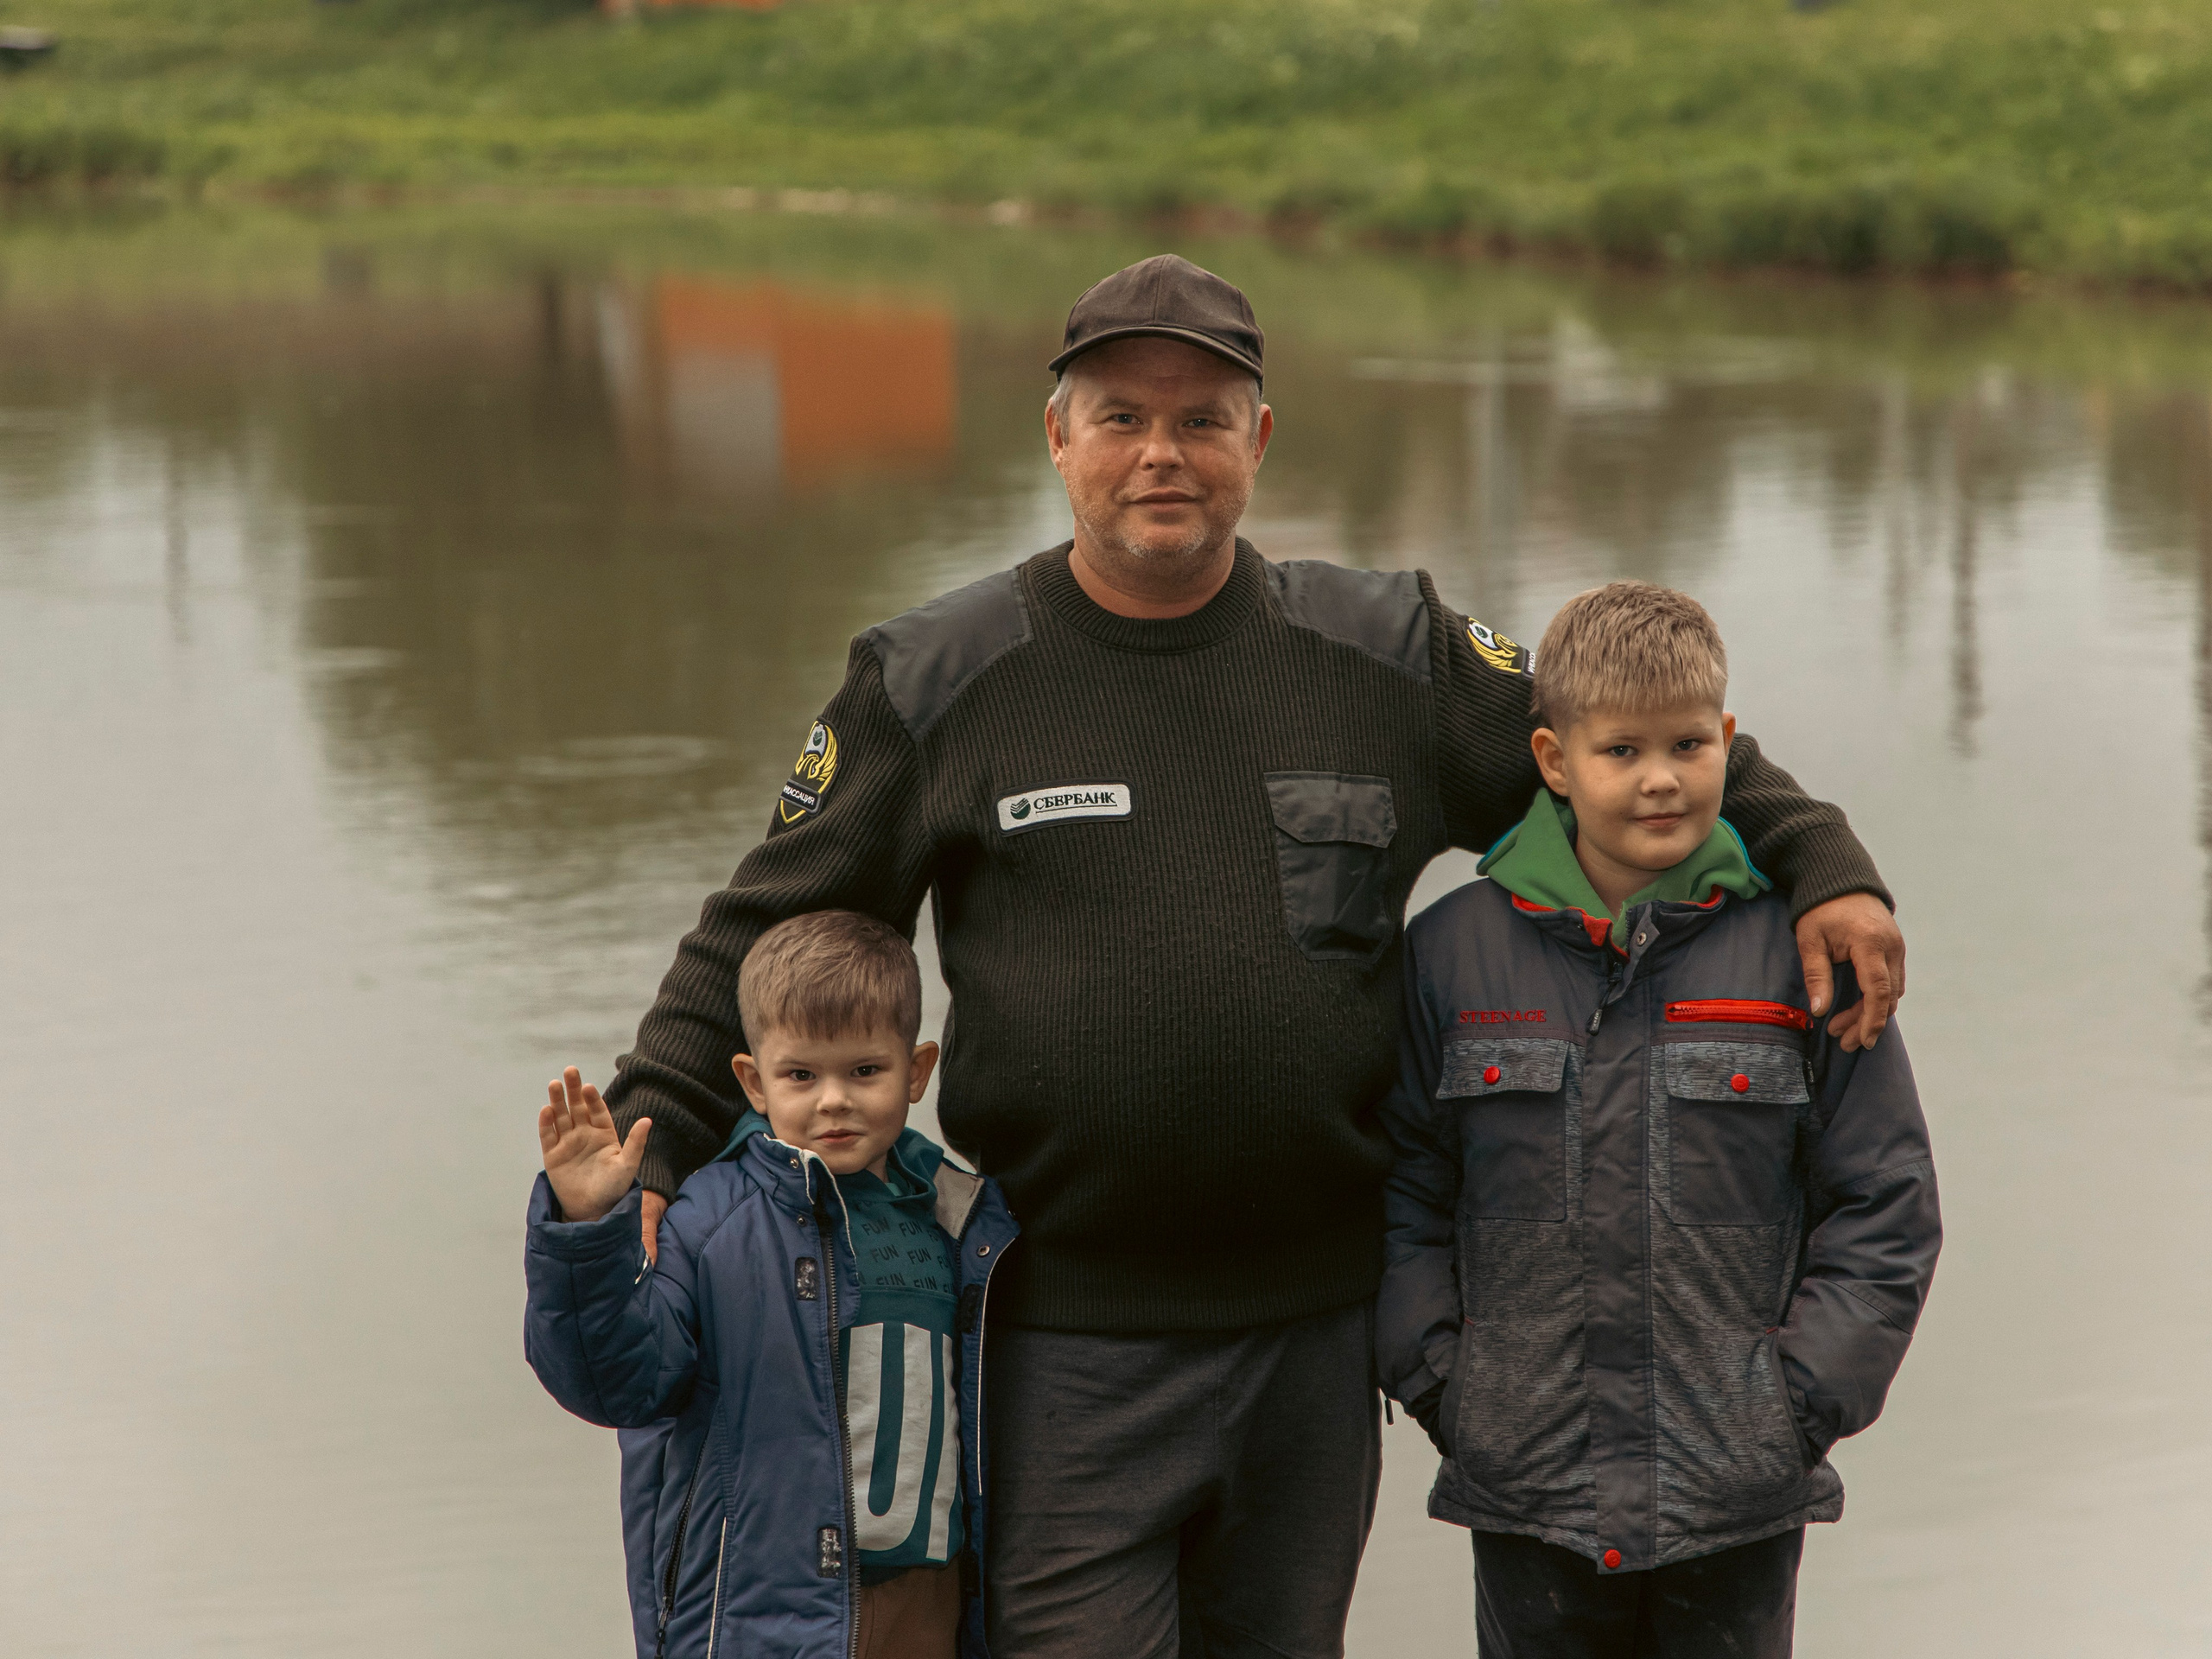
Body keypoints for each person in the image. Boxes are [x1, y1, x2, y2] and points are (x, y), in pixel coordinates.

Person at [596, 254, 1910, 1657]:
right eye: (1119, 416)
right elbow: (764, 914)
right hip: (1063, 1342)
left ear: (1259, 441)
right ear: (1057, 436)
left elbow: (1629, 740)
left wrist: (1821, 860)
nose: (1162, 452)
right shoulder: (935, 676)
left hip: (1312, 1343)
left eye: (1204, 417)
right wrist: (652, 1139)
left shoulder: (1388, 650)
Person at [1376, 582, 1942, 1658]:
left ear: (1729, 741)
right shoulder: (1448, 955)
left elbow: (1885, 1203)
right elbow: (1401, 1186)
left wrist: (1796, 1408)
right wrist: (1448, 1385)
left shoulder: (1801, 953)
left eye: (1688, 744)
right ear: (1551, 761)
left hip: (1735, 1491)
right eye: (1620, 750)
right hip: (1525, 1488)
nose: (1658, 779)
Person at [523, 910, 1018, 1659]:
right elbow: (615, 1384)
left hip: (931, 1606)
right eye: (800, 1075)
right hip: (766, 1615)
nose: (833, 1101)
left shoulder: (962, 1218)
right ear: (754, 1083)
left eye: (865, 1071)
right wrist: (588, 1228)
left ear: (917, 1071)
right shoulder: (711, 1218)